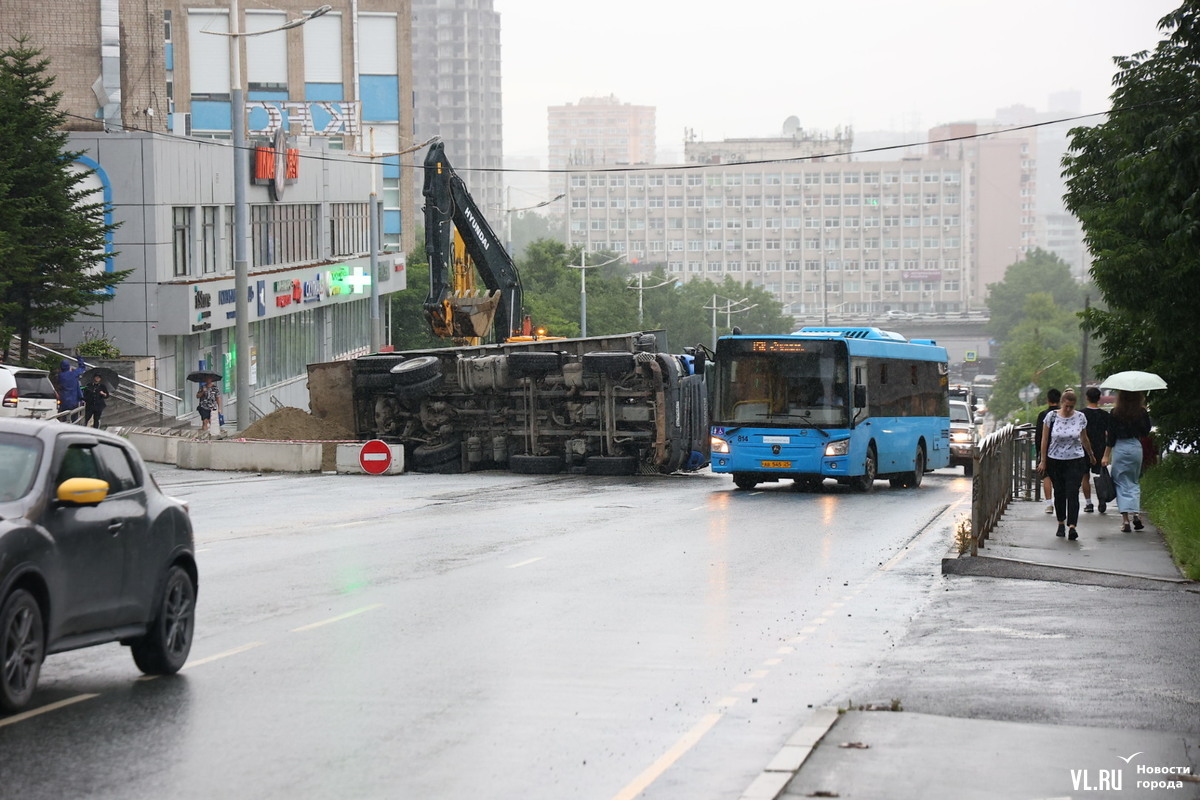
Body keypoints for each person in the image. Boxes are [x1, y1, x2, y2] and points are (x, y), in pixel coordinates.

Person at [1037, 390, 1096, 541]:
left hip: (1075, 459)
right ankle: (1061, 523)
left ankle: (1072, 526)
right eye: (1066, 406)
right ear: (1062, 403)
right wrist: (1043, 461)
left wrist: (1091, 454)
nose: (1068, 409)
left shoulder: (1080, 417)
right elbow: (1044, 440)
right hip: (1055, 460)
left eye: (1071, 406)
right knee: (1060, 493)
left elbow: (1084, 438)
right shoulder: (1052, 417)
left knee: (1073, 492)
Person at [1102, 389, 1153, 533]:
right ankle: (1136, 514)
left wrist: (1106, 455)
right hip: (1136, 447)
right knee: (1134, 481)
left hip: (1120, 447)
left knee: (1120, 482)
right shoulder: (1141, 412)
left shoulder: (1115, 412)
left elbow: (1111, 436)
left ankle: (1125, 520)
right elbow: (1146, 431)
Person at [1080, 386, 1111, 514]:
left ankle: (1088, 503)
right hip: (1101, 447)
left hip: (1084, 448)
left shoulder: (1082, 414)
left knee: (1084, 476)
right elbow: (1109, 433)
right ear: (1099, 398)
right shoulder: (1105, 415)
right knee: (1100, 475)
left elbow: (1081, 433)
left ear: (1087, 398)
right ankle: (1101, 498)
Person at [1034, 388, 1061, 514]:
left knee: (1046, 477)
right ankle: (1060, 501)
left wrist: (1039, 452)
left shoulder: (1043, 415)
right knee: (1059, 477)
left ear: (1047, 400)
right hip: (1060, 451)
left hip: (1046, 450)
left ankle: (1049, 504)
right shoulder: (1063, 414)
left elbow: (1039, 435)